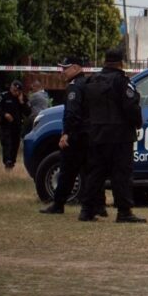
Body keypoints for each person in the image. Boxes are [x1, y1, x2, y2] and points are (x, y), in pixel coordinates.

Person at [78, 49, 146, 223]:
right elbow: (131, 107)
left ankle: (87, 210)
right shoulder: (122, 82)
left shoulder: (92, 81)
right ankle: (124, 211)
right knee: (121, 174)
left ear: (105, 61)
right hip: (120, 136)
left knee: (95, 173)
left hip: (97, 134)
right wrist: (138, 122)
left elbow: (84, 108)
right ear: (120, 63)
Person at [40, 56, 107, 217]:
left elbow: (72, 113)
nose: (62, 71)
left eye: (66, 68)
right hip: (91, 134)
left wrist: (66, 133)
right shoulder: (88, 84)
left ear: (76, 68)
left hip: (77, 135)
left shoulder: (74, 87)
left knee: (67, 171)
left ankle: (58, 204)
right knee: (92, 172)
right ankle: (99, 206)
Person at [0, 80, 31, 170]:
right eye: (14, 90)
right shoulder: (4, 96)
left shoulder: (23, 98)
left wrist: (21, 102)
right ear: (11, 88)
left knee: (15, 145)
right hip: (6, 125)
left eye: (17, 91)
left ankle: (11, 162)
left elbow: (28, 112)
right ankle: (7, 161)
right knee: (7, 143)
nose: (15, 92)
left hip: (17, 126)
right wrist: (4, 114)